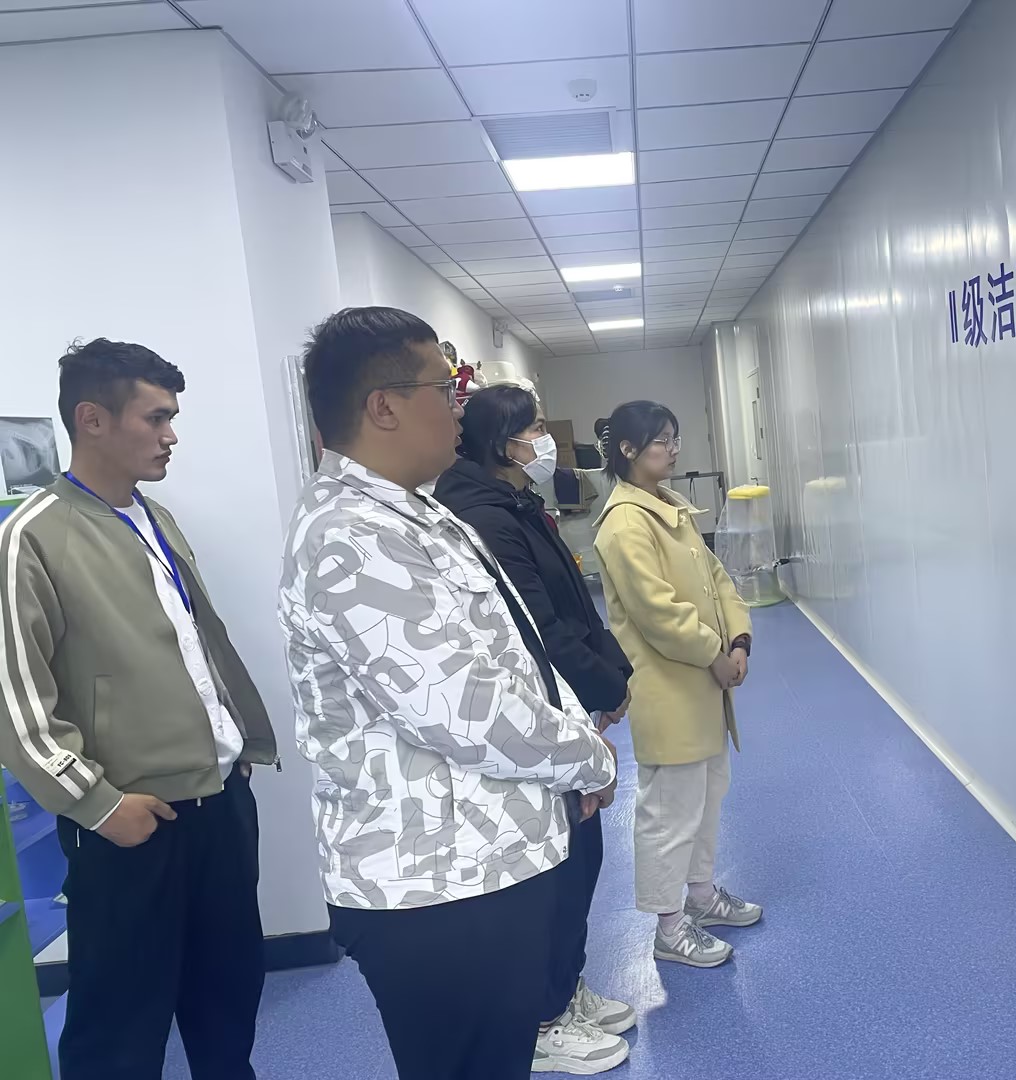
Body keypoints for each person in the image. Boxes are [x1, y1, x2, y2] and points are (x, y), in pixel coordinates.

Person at [277, 307, 622, 1080]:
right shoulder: (351, 536)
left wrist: (572, 738)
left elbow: (514, 651)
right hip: (433, 890)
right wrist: (588, 759)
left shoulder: (416, 511)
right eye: (446, 389)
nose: (459, 409)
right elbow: (467, 711)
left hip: (482, 867)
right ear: (384, 406)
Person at [0, 339, 276, 1080]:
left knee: (227, 1003)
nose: (171, 435)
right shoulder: (30, 537)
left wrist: (235, 750)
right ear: (92, 419)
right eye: (155, 418)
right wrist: (97, 804)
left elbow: (189, 648)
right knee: (119, 1028)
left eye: (171, 418)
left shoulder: (155, 518)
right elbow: (15, 703)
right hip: (131, 822)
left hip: (218, 804)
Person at [434, 384, 635, 1072]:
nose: (546, 440)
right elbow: (538, 628)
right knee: (561, 868)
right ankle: (544, 1019)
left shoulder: (518, 502)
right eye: (536, 427)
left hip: (571, 700)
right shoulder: (482, 516)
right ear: (503, 441)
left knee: (584, 858)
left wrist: (611, 671)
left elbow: (572, 600)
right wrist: (600, 685)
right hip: (543, 711)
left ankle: (563, 989)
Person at [592, 401, 761, 969]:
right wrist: (714, 655)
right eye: (661, 440)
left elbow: (718, 580)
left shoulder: (671, 507)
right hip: (671, 690)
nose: (673, 449)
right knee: (669, 812)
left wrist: (739, 641)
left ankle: (702, 897)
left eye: (674, 438)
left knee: (706, 798)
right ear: (628, 449)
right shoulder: (624, 523)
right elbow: (658, 613)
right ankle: (669, 927)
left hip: (707, 687)